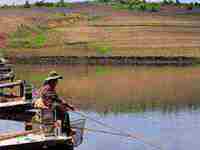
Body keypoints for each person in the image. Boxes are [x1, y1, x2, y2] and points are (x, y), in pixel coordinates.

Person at [34, 71, 76, 136]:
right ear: (52, 81)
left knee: (62, 110)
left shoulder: (48, 87)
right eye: (56, 80)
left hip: (49, 104)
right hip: (50, 105)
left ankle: (63, 128)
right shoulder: (48, 88)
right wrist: (68, 106)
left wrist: (65, 105)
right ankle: (67, 131)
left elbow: (56, 99)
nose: (57, 82)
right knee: (66, 113)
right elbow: (56, 99)